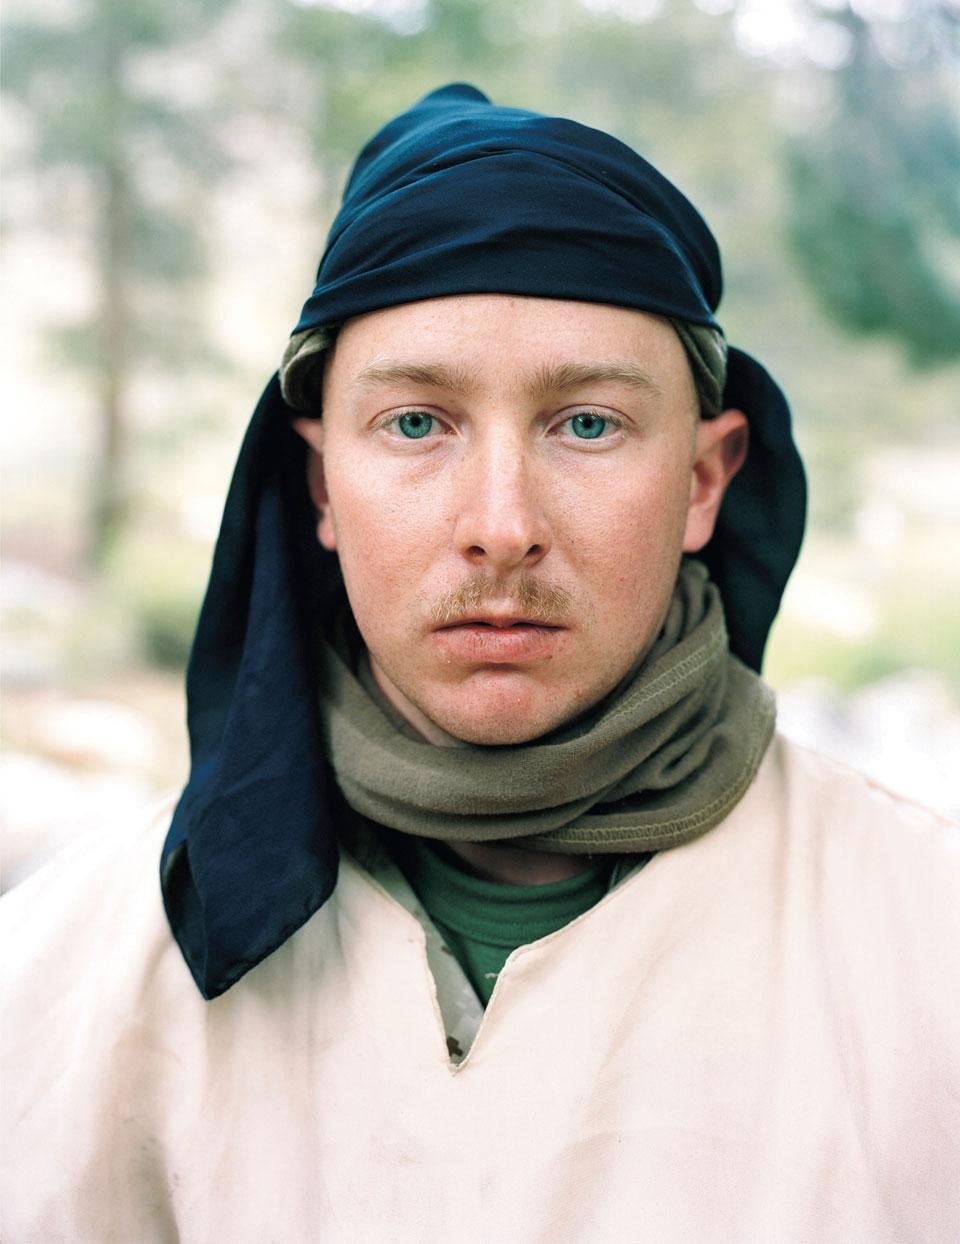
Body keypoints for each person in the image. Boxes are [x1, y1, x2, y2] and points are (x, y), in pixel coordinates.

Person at [2, 84, 958, 1243]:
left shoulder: (925, 946)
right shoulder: (70, 975)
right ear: (319, 485)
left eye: (587, 423)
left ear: (705, 480)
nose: (502, 523)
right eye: (417, 423)